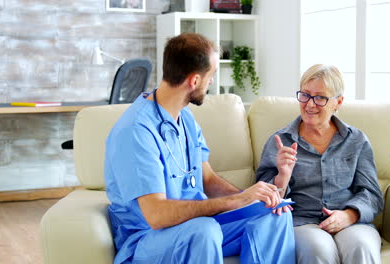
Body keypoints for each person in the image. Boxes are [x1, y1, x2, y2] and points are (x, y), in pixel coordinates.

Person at [104, 33, 296, 264]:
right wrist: (234, 202)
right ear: (194, 81)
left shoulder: (184, 117)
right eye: (211, 75)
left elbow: (207, 179)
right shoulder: (136, 131)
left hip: (200, 227)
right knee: (203, 231)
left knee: (274, 215)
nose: (212, 82)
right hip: (149, 239)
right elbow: (156, 216)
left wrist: (252, 198)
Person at [256, 64, 384, 264]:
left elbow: (372, 194)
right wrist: (282, 175)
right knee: (318, 249)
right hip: (302, 222)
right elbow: (262, 201)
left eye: (320, 97)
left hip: (350, 223)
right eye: (305, 95)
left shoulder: (356, 140)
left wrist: (349, 215)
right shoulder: (280, 141)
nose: (310, 104)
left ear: (338, 102)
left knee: (361, 246)